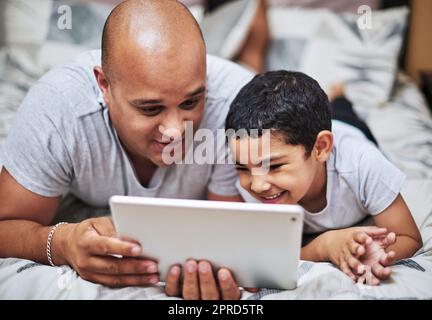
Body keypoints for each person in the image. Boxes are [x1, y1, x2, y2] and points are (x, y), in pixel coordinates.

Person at [0, 0, 255, 300]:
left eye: (191, 102)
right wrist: (61, 242)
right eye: (150, 108)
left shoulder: (235, 107)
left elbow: (233, 233)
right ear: (104, 85)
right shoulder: (59, 110)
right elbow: (6, 227)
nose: (175, 131)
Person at [225, 70, 423, 285]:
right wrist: (324, 246)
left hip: (350, 131)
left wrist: (375, 254)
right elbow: (270, 255)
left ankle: (339, 96)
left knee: (342, 112)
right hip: (314, 136)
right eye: (242, 168)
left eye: (274, 166)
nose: (257, 185)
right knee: (316, 120)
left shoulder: (362, 164)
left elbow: (409, 238)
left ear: (320, 148)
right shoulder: (254, 179)